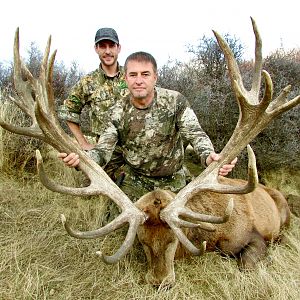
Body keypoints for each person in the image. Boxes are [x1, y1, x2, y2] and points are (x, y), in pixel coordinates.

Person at [59, 51, 237, 201]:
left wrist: (208, 158)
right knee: (119, 225)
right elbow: (102, 152)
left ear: (155, 77)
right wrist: (81, 159)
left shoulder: (175, 101)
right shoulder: (117, 111)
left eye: (145, 74)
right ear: (126, 78)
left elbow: (196, 134)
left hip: (172, 180)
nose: (139, 81)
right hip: (135, 181)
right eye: (133, 75)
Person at [58, 27, 128, 179]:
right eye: (102, 46)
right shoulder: (87, 82)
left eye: (111, 46)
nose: (107, 51)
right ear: (96, 49)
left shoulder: (133, 76)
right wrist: (83, 143)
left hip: (135, 147)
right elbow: (69, 111)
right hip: (105, 151)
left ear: (119, 48)